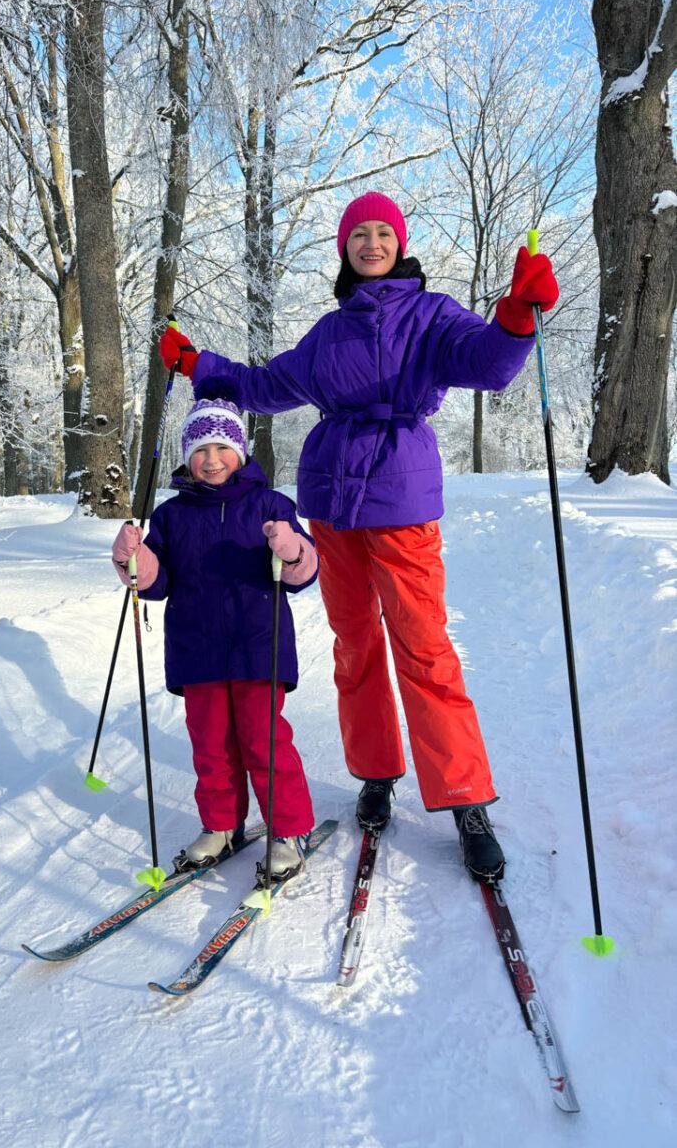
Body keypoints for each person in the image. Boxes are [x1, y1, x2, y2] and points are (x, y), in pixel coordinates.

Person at [158, 192, 560, 881]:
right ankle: (377, 771)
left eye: (383, 233)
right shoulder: (329, 332)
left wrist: (517, 315)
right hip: (332, 503)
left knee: (423, 645)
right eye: (358, 235)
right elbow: (265, 384)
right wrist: (200, 366)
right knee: (354, 644)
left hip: (401, 495)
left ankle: (465, 799)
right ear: (344, 248)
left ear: (399, 244)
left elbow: (489, 363)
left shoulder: (432, 316)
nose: (371, 243)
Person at [111, 396, 319, 880]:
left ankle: (289, 829)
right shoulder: (171, 516)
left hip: (258, 646)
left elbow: (302, 572)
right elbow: (155, 583)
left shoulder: (270, 505)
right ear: (187, 457)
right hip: (196, 648)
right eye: (200, 450)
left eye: (222, 448)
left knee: (264, 741)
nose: (211, 460)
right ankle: (221, 825)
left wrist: (291, 549)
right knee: (210, 745)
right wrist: (132, 560)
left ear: (239, 452)